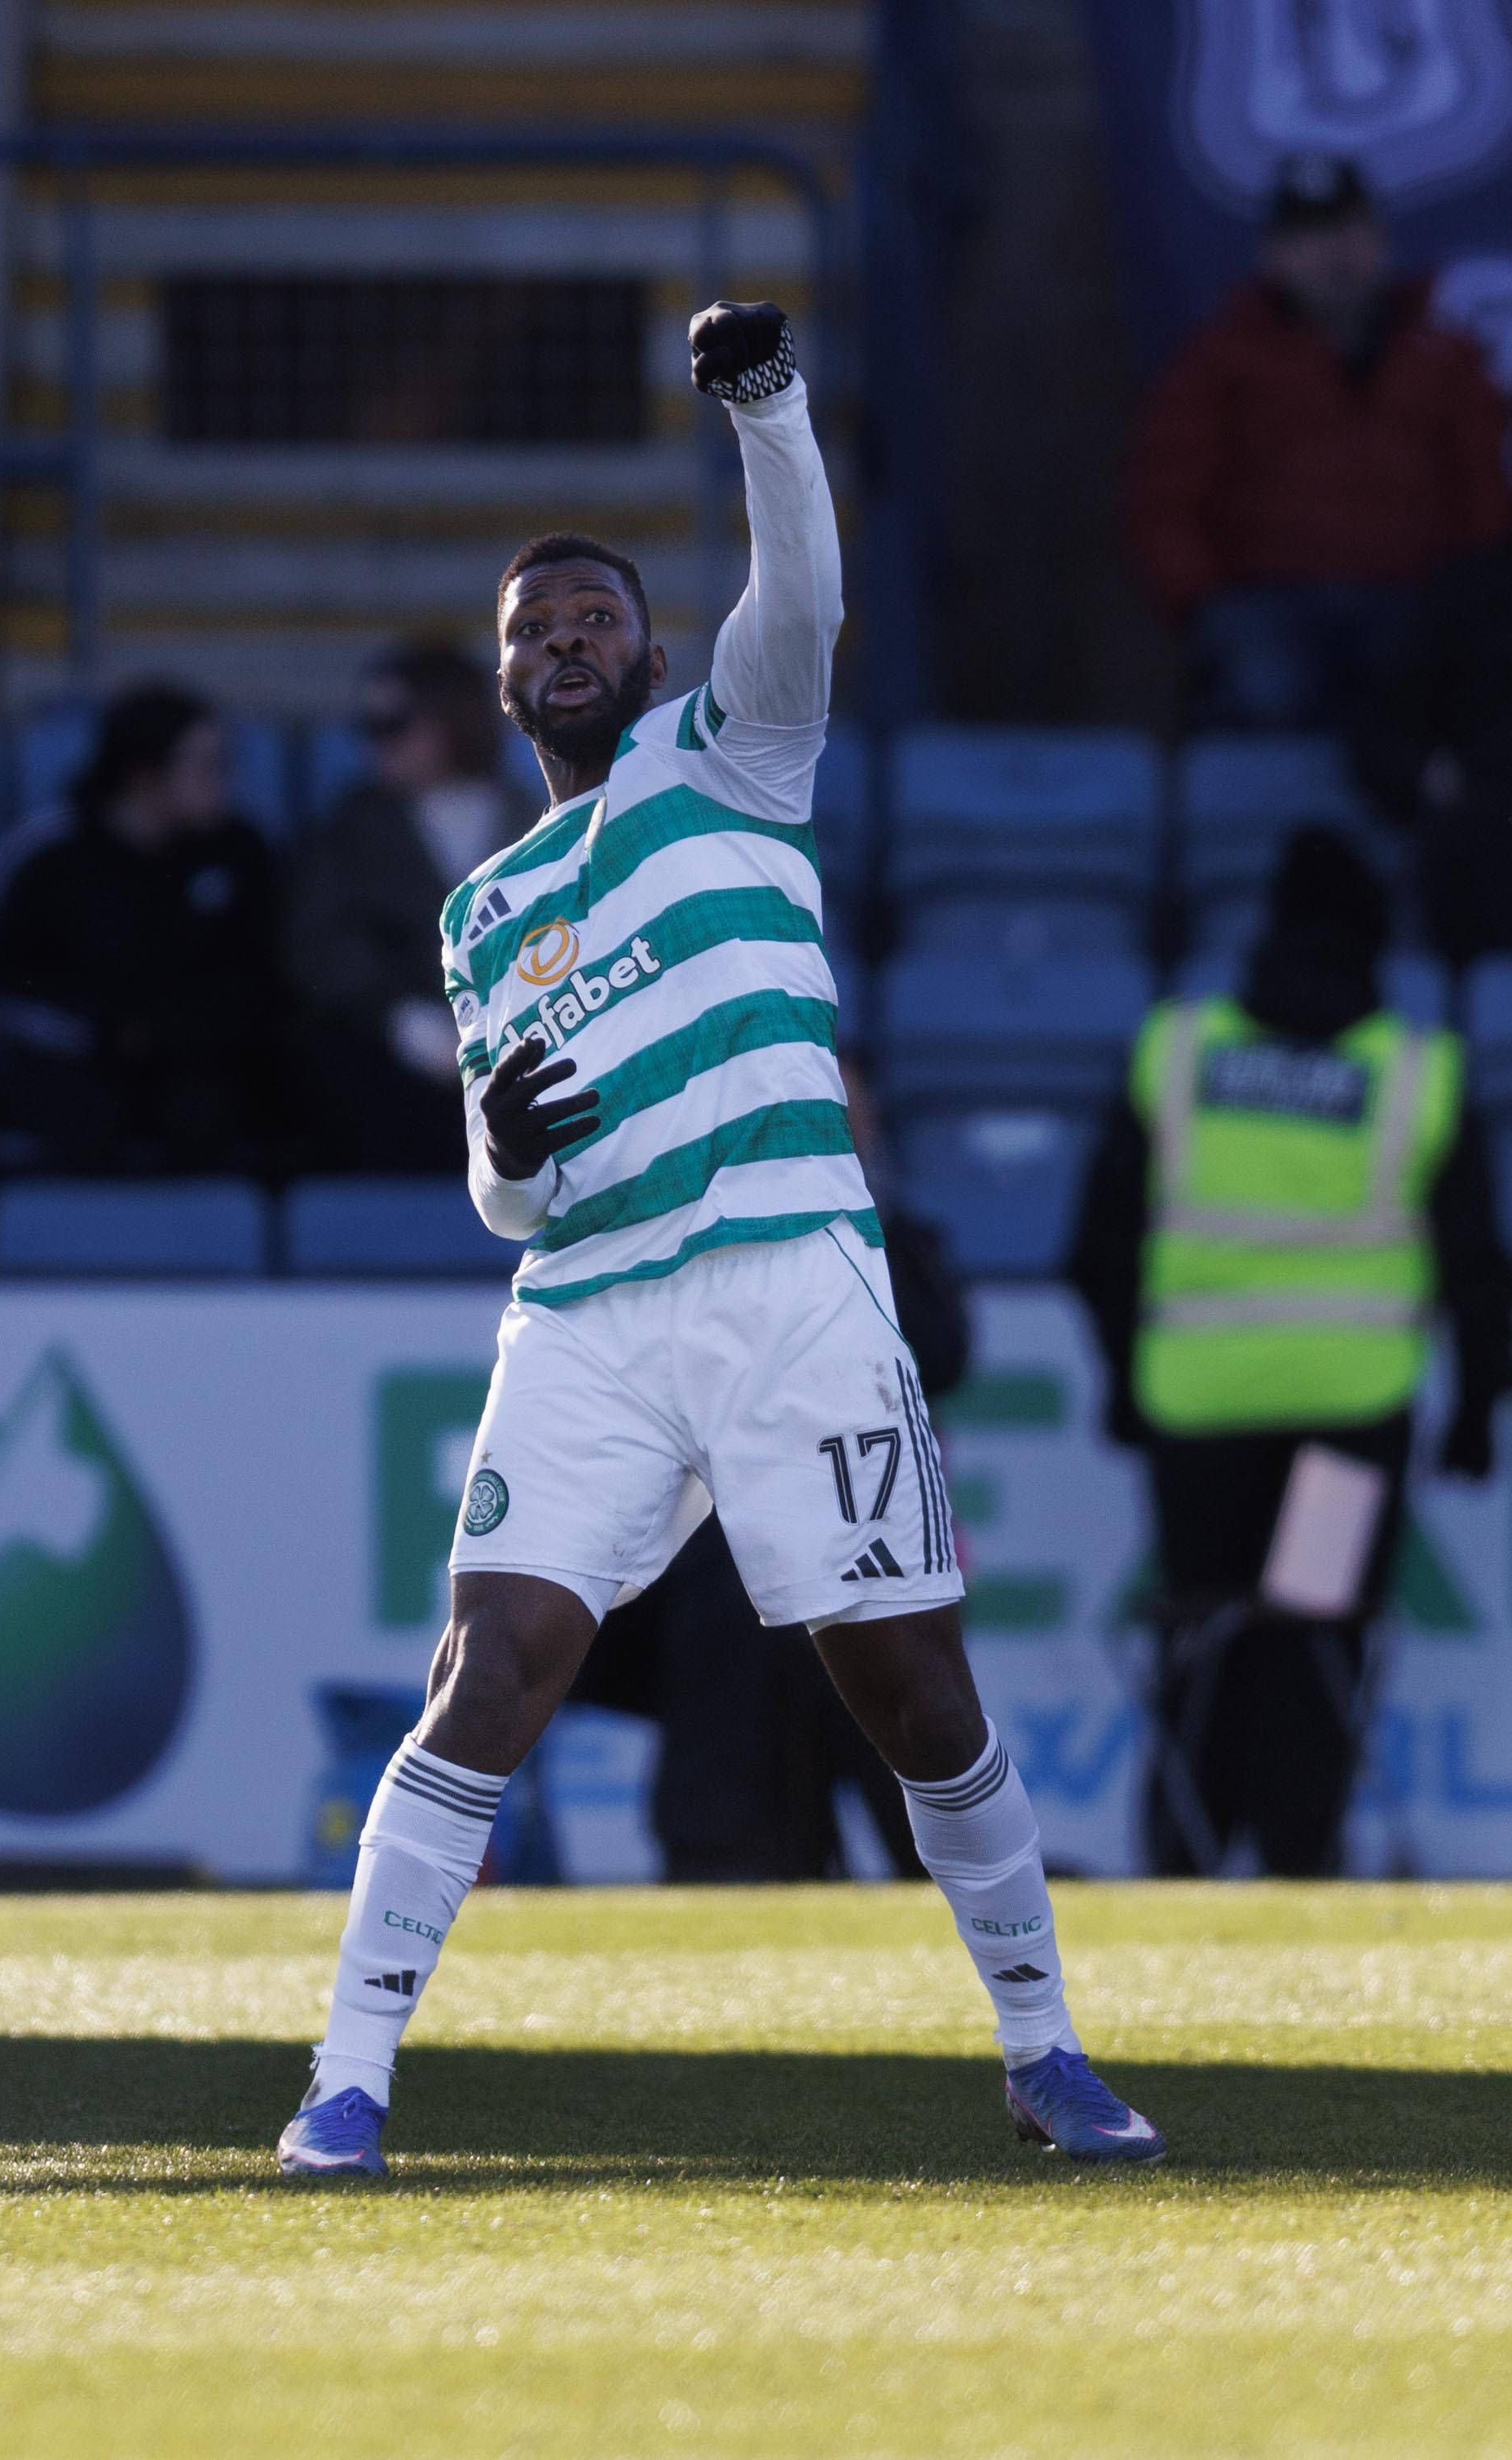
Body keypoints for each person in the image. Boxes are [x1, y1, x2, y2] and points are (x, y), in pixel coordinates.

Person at [278, 299, 1165, 2178]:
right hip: (586, 1312)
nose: (566, 637)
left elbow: (810, 589)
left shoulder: (736, 753)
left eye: (594, 613)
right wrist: (501, 1153)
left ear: (655, 651)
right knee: (486, 1675)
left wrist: (767, 412)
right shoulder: (480, 910)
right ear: (504, 688)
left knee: (916, 1695)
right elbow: (502, 1195)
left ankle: (1040, 2047)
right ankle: (345, 2081)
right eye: (534, 629)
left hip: (788, 1291)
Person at [1070, 827, 1512, 1876]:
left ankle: (1181, 1854)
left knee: (1206, 1640)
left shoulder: (1178, 1049)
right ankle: (1298, 1861)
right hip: (1347, 1420)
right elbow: (1475, 1266)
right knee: (1311, 1638)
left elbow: (1096, 1243)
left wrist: (1125, 1381)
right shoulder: (1415, 1071)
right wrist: (1477, 1405)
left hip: (1198, 1414)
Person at [643, 1053, 973, 1882]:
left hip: (870, 1553)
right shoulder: (700, 1234)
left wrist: (859, 1216)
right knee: (733, 1828)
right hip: (729, 1574)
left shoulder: (895, 1239)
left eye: (849, 1115)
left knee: (918, 1789)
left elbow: (942, 1350)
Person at [1125, 154, 1511, 730]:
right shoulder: (1217, 363)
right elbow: (1161, 500)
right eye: (1309, 235)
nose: (1334, 254)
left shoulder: (1447, 359)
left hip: (1410, 602)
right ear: (1272, 256)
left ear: (1380, 241)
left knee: (1443, 687)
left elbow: (1487, 502)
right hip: (1269, 605)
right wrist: (1201, 603)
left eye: (1349, 229)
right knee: (1266, 683)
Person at [0, 683, 290, 1178]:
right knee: (77, 1118)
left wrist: (172, 1032)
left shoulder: (241, 849)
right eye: (206, 768)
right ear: (144, 777)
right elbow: (10, 985)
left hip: (200, 1064)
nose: (223, 783)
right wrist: (110, 1031)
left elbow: (264, 977)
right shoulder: (49, 856)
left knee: (217, 1112)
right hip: (78, 1063)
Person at [284, 644, 533, 1171]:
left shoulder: (533, 818)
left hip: (516, 1054)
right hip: (389, 1066)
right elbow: (318, 941)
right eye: (369, 725)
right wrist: (397, 1017)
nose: (375, 743)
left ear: (451, 721)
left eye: (393, 724)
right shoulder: (352, 825)